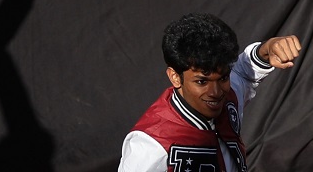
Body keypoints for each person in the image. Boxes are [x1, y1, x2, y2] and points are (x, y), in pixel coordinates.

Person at [118, 12, 302, 172]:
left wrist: (266, 50)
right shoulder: (150, 143)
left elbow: (244, 72)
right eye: (201, 81)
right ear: (175, 77)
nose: (215, 92)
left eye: (223, 78)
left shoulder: (227, 97)